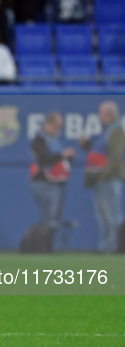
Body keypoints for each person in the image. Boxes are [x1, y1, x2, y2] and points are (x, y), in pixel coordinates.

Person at [79, 101, 125, 253]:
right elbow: (99, 152)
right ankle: (104, 247)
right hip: (99, 179)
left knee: (112, 216)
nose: (99, 117)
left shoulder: (117, 130)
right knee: (102, 216)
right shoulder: (106, 131)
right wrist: (86, 145)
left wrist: (104, 175)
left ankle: (113, 247)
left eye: (101, 113)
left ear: (109, 114)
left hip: (109, 179)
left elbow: (115, 156)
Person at [29, 113, 76, 230]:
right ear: (48, 124)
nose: (58, 130)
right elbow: (44, 158)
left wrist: (68, 157)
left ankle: (49, 245)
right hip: (45, 182)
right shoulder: (39, 140)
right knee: (49, 218)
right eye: (57, 126)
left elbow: (59, 160)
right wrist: (62, 155)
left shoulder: (52, 140)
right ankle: (44, 245)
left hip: (57, 182)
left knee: (54, 218)